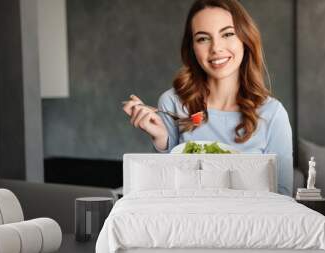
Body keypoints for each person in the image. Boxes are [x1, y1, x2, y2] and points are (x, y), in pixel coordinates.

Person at [122, 0, 293, 196]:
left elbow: (283, 195)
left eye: (228, 34)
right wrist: (162, 140)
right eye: (203, 38)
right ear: (192, 48)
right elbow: (164, 190)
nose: (216, 48)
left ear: (245, 39)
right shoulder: (173, 103)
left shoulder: (272, 114)